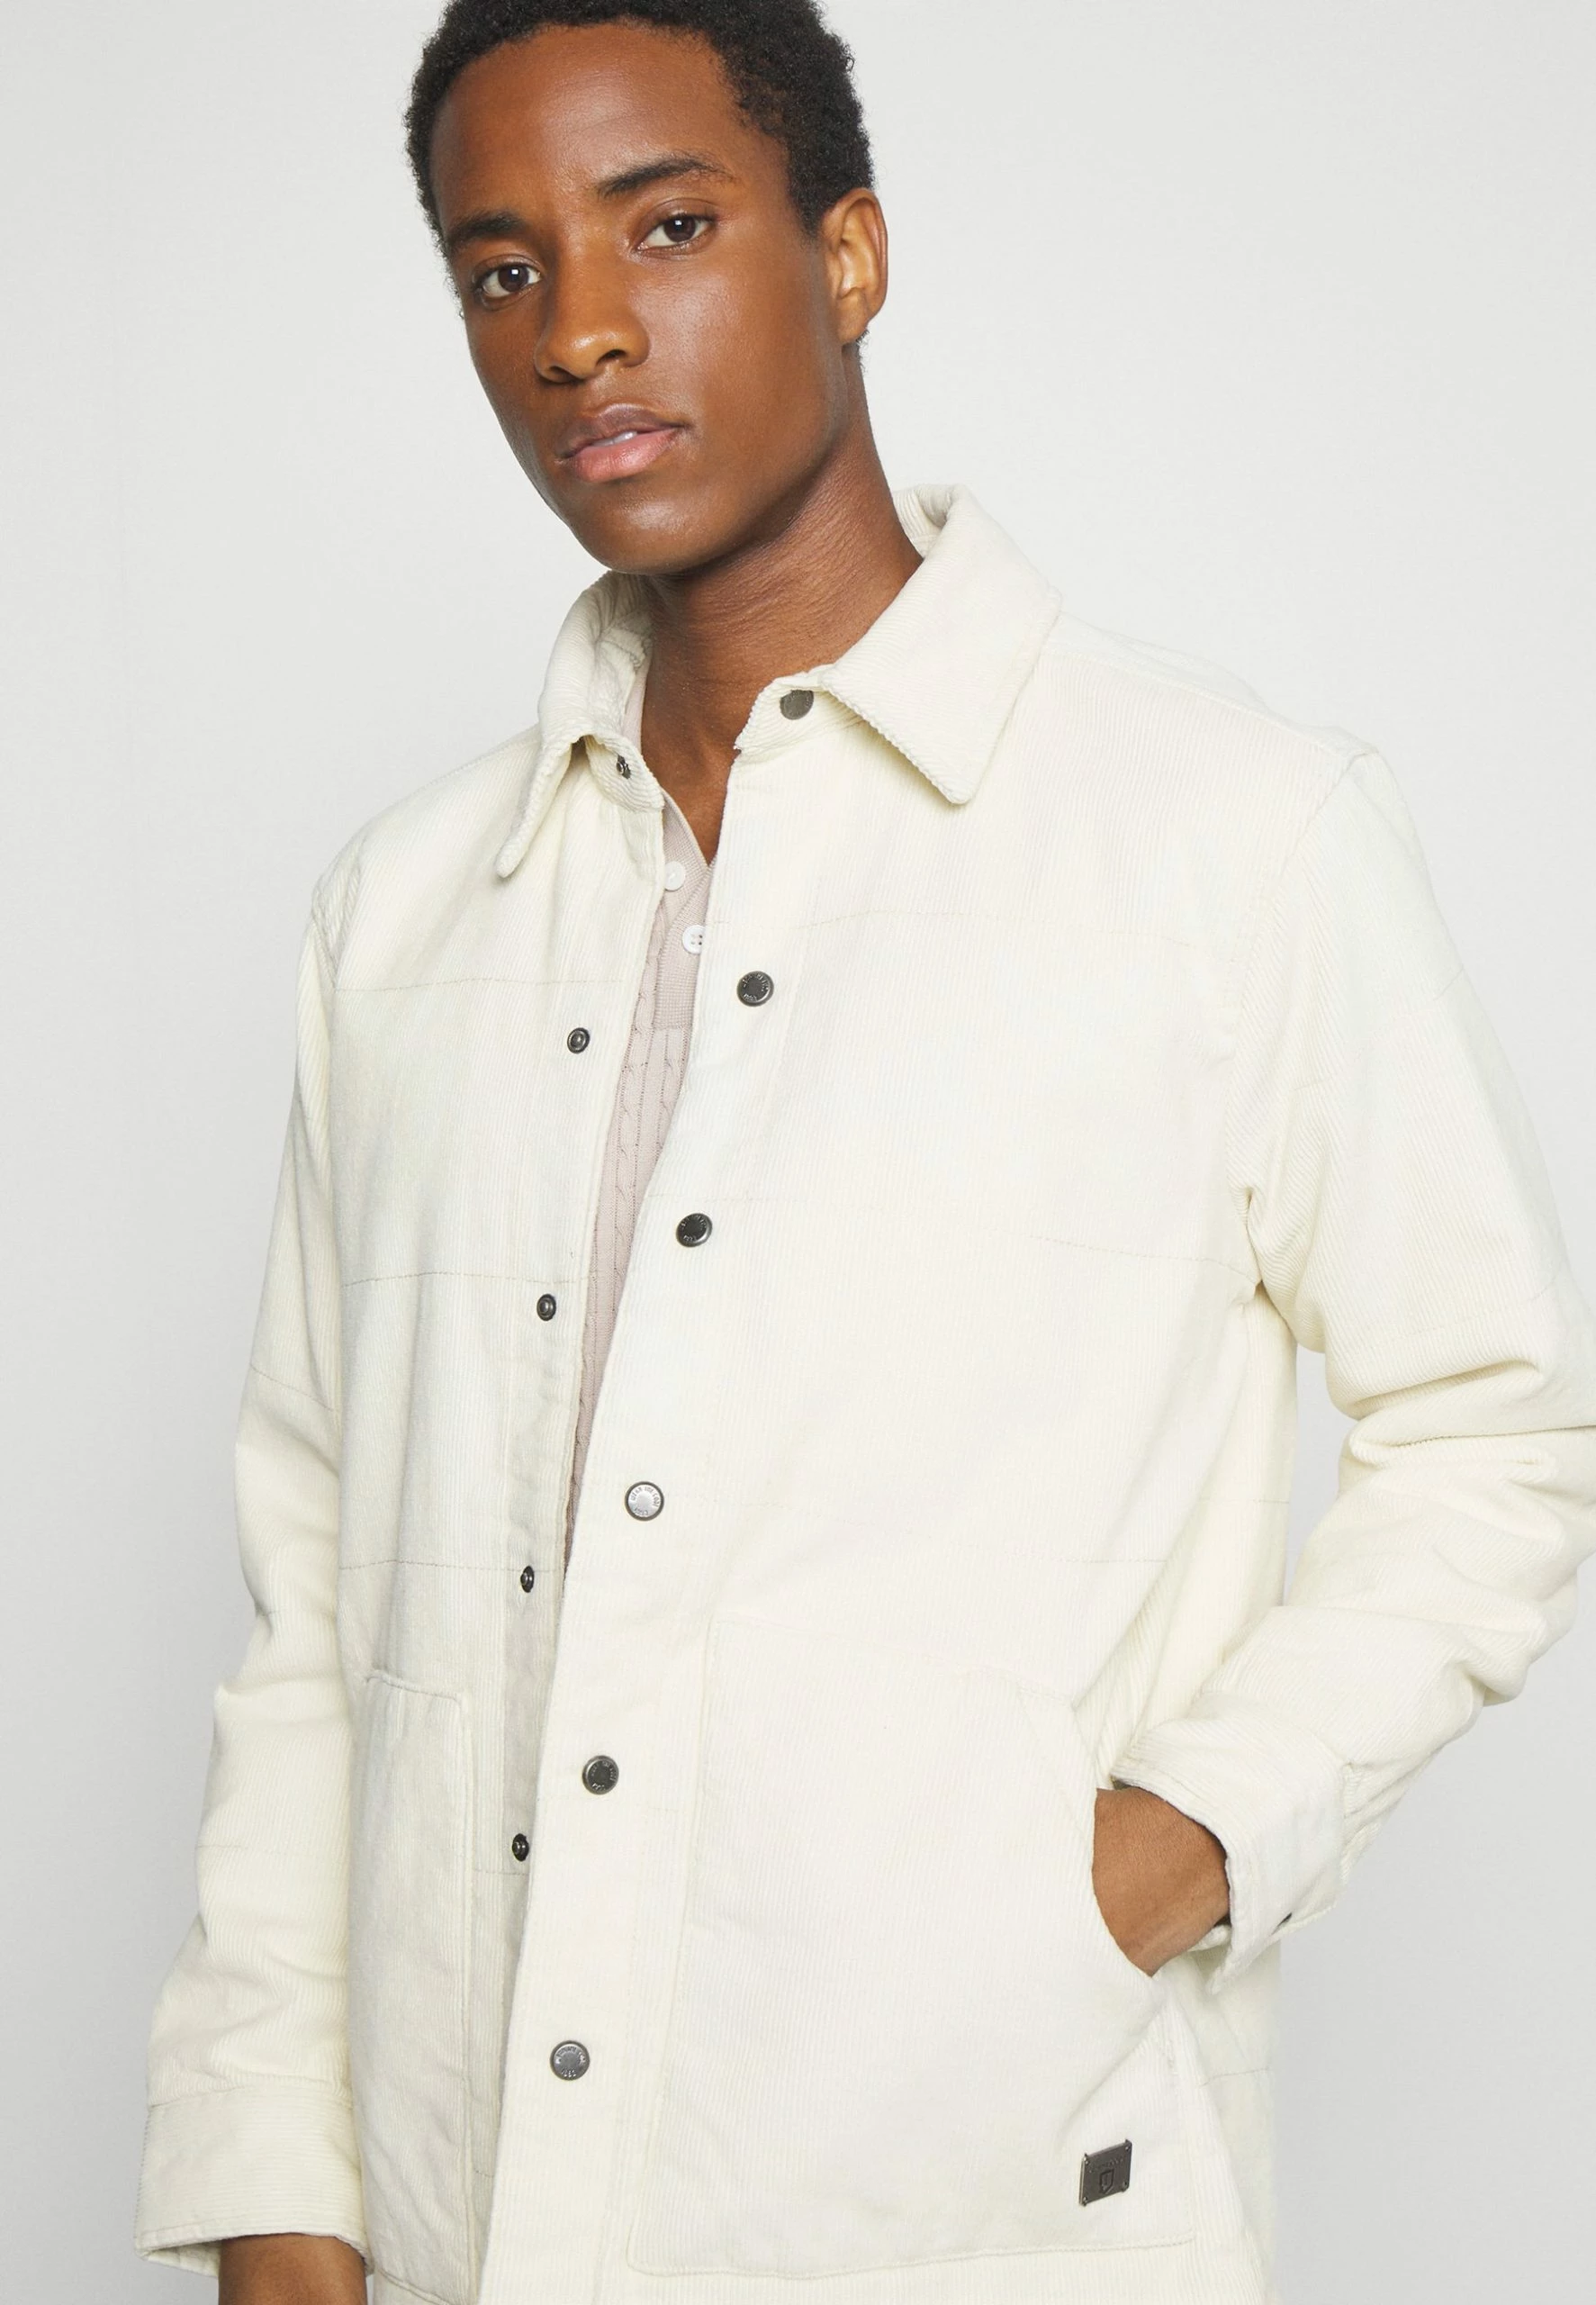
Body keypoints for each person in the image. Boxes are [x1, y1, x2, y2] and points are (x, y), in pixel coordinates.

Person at [134, 4, 1596, 2301]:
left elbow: (1498, 1428)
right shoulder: (403, 914)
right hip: (446, 2204)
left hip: (969, 2198)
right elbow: (320, 1587)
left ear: (849, 256)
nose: (578, 328)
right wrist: (273, 2175)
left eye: (665, 227)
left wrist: (1158, 1851)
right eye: (500, 270)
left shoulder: (1226, 834)